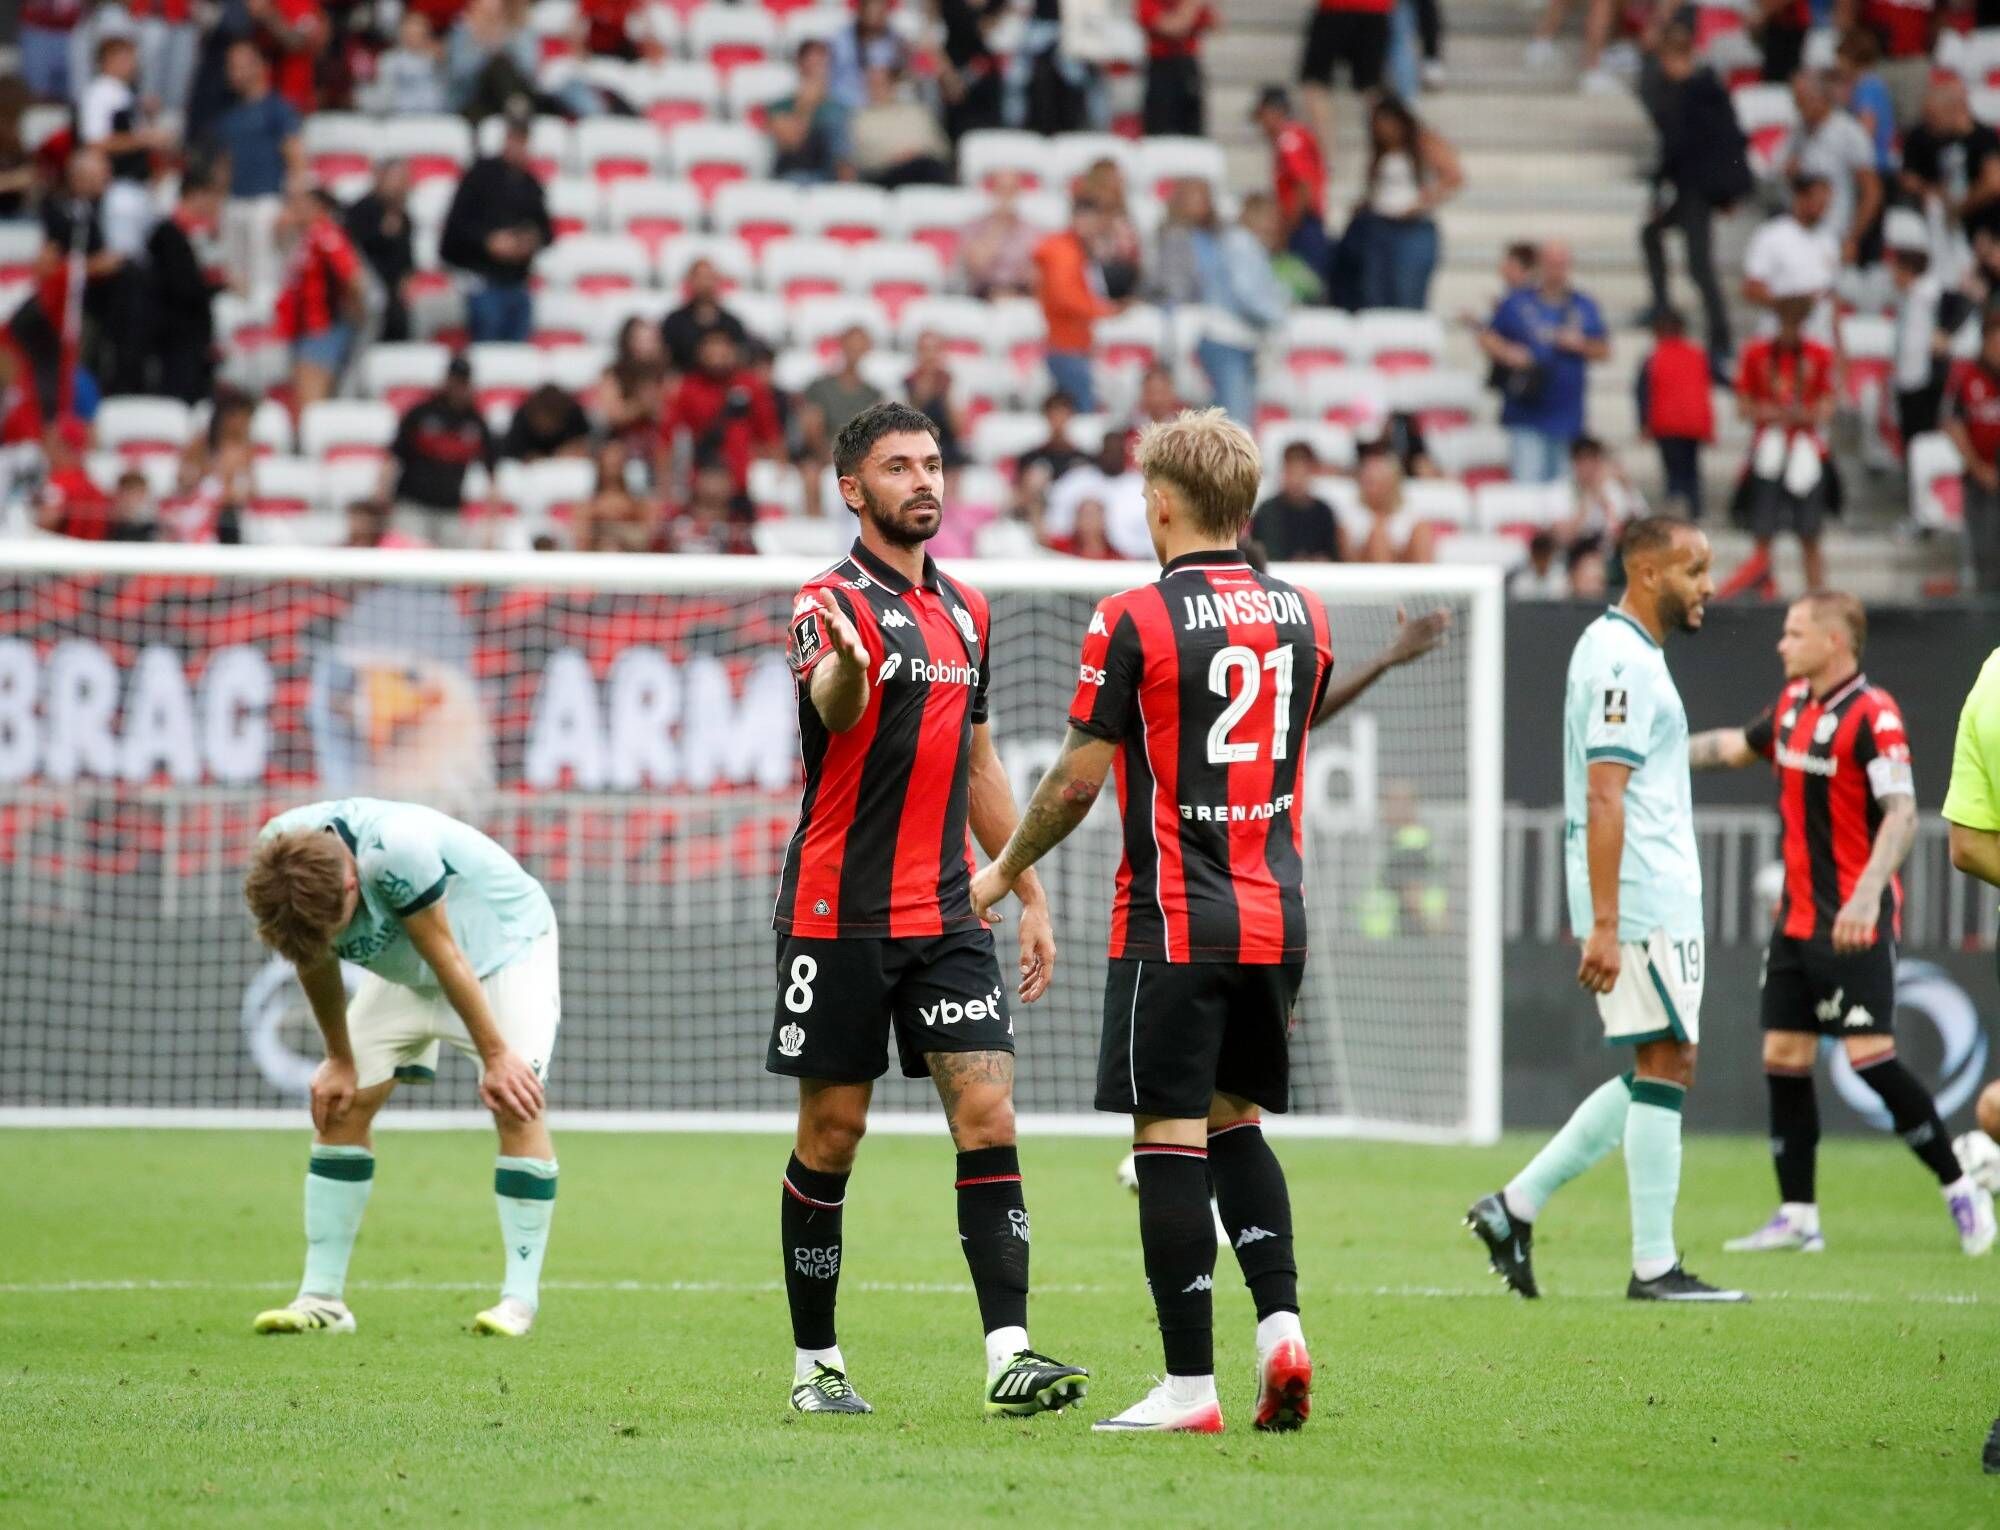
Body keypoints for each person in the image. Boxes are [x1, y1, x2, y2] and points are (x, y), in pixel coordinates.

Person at [968, 407, 1449, 1431]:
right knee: (1237, 1126)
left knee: (1167, 1140)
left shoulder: (1130, 617)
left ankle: (1190, 1387)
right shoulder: (1303, 613)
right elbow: (1287, 719)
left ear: (1159, 505)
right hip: (1277, 921)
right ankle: (1280, 1333)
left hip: (1172, 920)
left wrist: (1001, 869)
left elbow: (1070, 785)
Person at [770, 401, 1087, 1418]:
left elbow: (979, 761)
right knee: (834, 1132)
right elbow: (831, 706)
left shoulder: (969, 612)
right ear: (851, 489)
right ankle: (815, 1366)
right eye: (898, 466)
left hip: (949, 914)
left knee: (987, 1112)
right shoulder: (825, 602)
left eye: (933, 464)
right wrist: (850, 676)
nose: (923, 482)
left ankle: (1009, 1353)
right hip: (837, 914)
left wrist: (1028, 887)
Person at [1467, 516, 1745, 1304]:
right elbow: (1604, 791)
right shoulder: (1623, 659)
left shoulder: (1627, 652)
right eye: (1696, 569)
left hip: (1653, 888)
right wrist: (1605, 922)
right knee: (1666, 1061)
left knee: (1664, 1062)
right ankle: (1652, 1265)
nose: (1710, 586)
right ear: (1649, 573)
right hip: (1643, 892)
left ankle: (1514, 1206)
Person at [1686, 595, 1994, 1257]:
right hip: (1795, 922)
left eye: (1794, 633)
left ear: (1833, 641)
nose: (1781, 644)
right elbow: (1737, 748)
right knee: (1784, 1057)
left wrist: (1865, 896)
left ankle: (1959, 1188)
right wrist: (1652, 754)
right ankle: (1798, 1215)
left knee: (1872, 1060)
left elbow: (1904, 813)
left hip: (1854, 925)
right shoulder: (1794, 705)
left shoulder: (1874, 716)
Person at [241, 799, 562, 1340]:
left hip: (502, 952)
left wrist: (497, 1055)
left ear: (350, 885)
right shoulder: (279, 855)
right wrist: (339, 1058)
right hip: (407, 966)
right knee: (341, 1103)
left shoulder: (395, 850)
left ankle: (518, 1301)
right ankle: (322, 1299)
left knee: (515, 1100)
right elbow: (311, 952)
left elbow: (444, 955)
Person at [1638, 17, 1750, 371]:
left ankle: (1721, 337)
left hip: (1699, 191)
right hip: (1688, 188)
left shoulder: (1700, 92)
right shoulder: (1692, 91)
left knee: (1699, 266)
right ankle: (1662, 307)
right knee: (1651, 235)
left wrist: (1727, 191)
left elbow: (1725, 143)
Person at [1727, 293, 1838, 597]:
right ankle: (1763, 584)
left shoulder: (1818, 354)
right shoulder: (1757, 353)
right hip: (1770, 445)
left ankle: (1817, 593)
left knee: (1810, 531)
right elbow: (1743, 404)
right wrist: (1770, 413)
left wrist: (1806, 414)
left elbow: (1828, 402)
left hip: (1805, 447)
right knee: (1763, 526)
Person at [1484, 240, 1610, 484]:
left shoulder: (1583, 306)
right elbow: (1489, 336)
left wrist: (1580, 344)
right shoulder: (1518, 302)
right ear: (1540, 265)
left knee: (1560, 491)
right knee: (1528, 487)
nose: (1557, 270)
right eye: (1551, 264)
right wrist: (1509, 352)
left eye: (1561, 265)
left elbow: (1603, 349)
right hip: (1526, 412)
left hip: (1567, 414)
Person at [440, 111, 552, 344]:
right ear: (505, 138)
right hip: (483, 281)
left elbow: (547, 231)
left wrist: (530, 240)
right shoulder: (480, 175)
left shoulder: (530, 184)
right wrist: (488, 241)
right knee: (488, 349)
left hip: (518, 283)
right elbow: (454, 231)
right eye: (514, 138)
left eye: (524, 140)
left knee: (516, 360)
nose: (518, 145)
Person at [207, 39, 304, 299]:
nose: (234, 72)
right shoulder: (230, 115)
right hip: (235, 201)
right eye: (231, 66)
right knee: (236, 278)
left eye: (240, 65)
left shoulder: (277, 109)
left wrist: (292, 207)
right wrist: (218, 205)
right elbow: (225, 164)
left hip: (267, 201)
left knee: (266, 278)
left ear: (259, 67)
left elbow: (295, 157)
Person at [1346, 93, 1460, 312]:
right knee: (1375, 296)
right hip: (1380, 227)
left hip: (1412, 228)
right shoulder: (1381, 152)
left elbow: (1453, 176)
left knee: (1406, 296)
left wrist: (1422, 202)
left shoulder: (1423, 142)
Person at [1196, 193, 1290, 428]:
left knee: (1237, 420)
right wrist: (1279, 316)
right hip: (1227, 341)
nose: (1274, 225)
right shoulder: (1239, 243)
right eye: (1269, 217)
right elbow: (1246, 294)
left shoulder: (1247, 245)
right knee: (1234, 422)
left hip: (1240, 342)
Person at [659, 329, 783, 497]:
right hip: (702, 482)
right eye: (711, 345)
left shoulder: (750, 385)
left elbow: (771, 435)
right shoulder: (688, 389)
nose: (718, 352)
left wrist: (780, 472)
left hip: (745, 483)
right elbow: (668, 439)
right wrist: (665, 486)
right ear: (700, 351)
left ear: (734, 350)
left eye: (723, 345)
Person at [389, 355, 497, 547]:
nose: (457, 387)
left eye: (462, 382)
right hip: (413, 504)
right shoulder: (421, 413)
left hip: (450, 509)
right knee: (405, 565)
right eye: (454, 380)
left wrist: (491, 517)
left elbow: (491, 470)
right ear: (446, 380)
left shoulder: (475, 421)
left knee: (453, 567)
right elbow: (393, 456)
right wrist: (383, 493)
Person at [143, 161, 226, 404]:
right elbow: (181, 287)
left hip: (194, 336)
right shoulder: (167, 234)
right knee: (179, 397)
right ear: (195, 195)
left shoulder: (198, 235)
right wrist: (218, 286)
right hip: (176, 335)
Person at [276, 186, 365, 410]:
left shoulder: (327, 234)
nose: (297, 209)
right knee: (301, 399)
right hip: (304, 328)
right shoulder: (307, 238)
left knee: (311, 402)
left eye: (304, 204)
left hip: (321, 327)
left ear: (320, 208)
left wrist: (355, 310)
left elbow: (353, 277)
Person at [1782, 70, 1881, 271]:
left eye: (1801, 102)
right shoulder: (1799, 133)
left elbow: (1872, 192)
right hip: (1803, 229)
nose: (1798, 109)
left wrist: (1852, 237)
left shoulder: (1849, 133)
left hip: (1836, 231)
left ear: (1818, 99)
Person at [79, 36, 166, 260]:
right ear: (106, 61)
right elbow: (95, 142)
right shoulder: (100, 92)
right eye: (124, 58)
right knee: (126, 260)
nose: (132, 64)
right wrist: (144, 139)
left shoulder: (125, 93)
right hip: (118, 188)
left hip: (140, 187)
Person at [1034, 199, 1116, 413]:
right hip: (1066, 345)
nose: (1093, 228)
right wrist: (1102, 310)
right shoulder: (1064, 251)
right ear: (1076, 219)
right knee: (1082, 411)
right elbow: (1064, 297)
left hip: (1074, 343)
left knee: (1073, 409)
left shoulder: (1076, 250)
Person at [1899, 76, 2000, 248]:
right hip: (1936, 222)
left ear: (1953, 111)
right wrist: (1930, 192)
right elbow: (1908, 178)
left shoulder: (1984, 138)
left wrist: (1959, 209)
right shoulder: (1920, 137)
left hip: (1981, 224)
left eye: (1933, 117)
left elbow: (1994, 183)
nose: (1929, 125)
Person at [1742, 172, 1840, 346]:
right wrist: (1793, 306)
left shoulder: (1829, 240)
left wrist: (1840, 348)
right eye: (1818, 203)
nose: (1823, 209)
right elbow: (1751, 289)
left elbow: (1831, 298)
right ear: (1800, 197)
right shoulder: (1772, 235)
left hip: (1819, 342)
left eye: (1826, 204)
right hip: (1780, 340)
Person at [1943, 308, 2000, 595]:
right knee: (1984, 549)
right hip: (1980, 476)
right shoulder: (1968, 377)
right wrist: (1978, 467)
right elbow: (1953, 423)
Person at [1636, 308, 1713, 520]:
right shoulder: (1697, 355)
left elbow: (1642, 392)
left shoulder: (1654, 357)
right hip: (1693, 424)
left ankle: (1677, 509)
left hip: (1666, 424)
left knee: (1673, 471)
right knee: (1691, 467)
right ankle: (1695, 509)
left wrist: (1643, 422)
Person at [1253, 86, 1331, 283]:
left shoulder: (1289, 138)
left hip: (1302, 226)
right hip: (1301, 224)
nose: (1261, 123)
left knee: (1305, 289)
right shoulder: (1293, 136)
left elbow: (1303, 184)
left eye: (1263, 115)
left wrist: (1287, 229)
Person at [1298, 0, 1392, 164]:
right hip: (1373, 10)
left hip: (1337, 10)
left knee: (1316, 85)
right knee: (1371, 89)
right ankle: (1386, 155)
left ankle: (1325, 158)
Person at [1884, 206, 1948, 446]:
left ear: (1907, 270)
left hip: (1924, 377)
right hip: (1906, 375)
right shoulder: (1908, 296)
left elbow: (1960, 303)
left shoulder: (1930, 292)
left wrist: (1946, 332)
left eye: (1896, 270)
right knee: (1908, 435)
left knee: (1921, 434)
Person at [344, 160, 417, 345]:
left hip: (392, 298)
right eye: (395, 179)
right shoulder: (359, 212)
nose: (400, 185)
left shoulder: (405, 219)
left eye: (403, 180)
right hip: (363, 294)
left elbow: (406, 264)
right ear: (379, 178)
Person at [1046, 428, 1149, 559]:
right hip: (1072, 557)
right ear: (1101, 451)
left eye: (1117, 450)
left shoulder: (1140, 486)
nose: (1112, 455)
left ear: (1125, 453)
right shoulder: (1077, 479)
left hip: (1133, 561)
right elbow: (1055, 526)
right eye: (1109, 450)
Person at [849, 64, 954, 189]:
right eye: (871, 84)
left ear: (893, 85)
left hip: (926, 166)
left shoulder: (917, 113)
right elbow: (860, 158)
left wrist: (917, 153)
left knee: (929, 167)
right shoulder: (859, 118)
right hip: (886, 175)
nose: (876, 88)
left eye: (882, 83)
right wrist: (896, 158)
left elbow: (942, 148)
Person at [800, 325, 886, 469]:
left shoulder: (873, 393)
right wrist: (827, 455)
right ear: (842, 347)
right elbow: (810, 426)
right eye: (851, 347)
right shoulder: (820, 387)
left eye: (859, 348)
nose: (855, 353)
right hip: (822, 456)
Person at [770, 38, 848, 185]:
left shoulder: (840, 108)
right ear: (800, 65)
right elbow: (791, 144)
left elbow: (845, 157)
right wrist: (806, 106)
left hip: (830, 179)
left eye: (822, 65)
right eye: (811, 65)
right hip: (793, 175)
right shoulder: (781, 106)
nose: (817, 72)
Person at [1250, 441, 1343, 561]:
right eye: (1292, 473)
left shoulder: (1324, 512)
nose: (1296, 481)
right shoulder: (1267, 511)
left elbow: (1333, 555)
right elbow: (1261, 554)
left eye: (1301, 473)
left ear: (1310, 474)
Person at [1139, 0, 1214, 138]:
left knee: (1192, 129)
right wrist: (1192, 6)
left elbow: (1215, 23)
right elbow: (1173, 28)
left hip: (1187, 65)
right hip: (1162, 67)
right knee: (1160, 130)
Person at [961, 169, 1040, 300]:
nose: (1006, 196)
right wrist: (999, 225)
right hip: (984, 295)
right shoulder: (975, 225)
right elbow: (976, 265)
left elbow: (1035, 274)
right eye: (1002, 190)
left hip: (1020, 294)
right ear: (993, 191)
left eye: (1011, 190)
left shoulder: (1031, 229)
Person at [660, 257, 748, 373]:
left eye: (709, 278)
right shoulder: (674, 322)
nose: (705, 283)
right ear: (690, 281)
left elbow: (741, 357)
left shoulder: (732, 323)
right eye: (700, 277)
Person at [1351, 445, 1435, 562]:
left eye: (1377, 482)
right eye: (1369, 482)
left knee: (1420, 531)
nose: (1372, 489)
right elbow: (1348, 559)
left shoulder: (1412, 517)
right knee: (1378, 535)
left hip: (1407, 574)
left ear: (1392, 484)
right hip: (1362, 574)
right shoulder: (1351, 517)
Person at [365, 9, 448, 115]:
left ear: (426, 32)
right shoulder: (389, 60)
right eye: (410, 29)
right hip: (397, 120)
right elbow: (383, 96)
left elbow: (446, 95)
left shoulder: (438, 60)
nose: (413, 34)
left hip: (434, 119)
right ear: (401, 31)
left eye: (418, 29)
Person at [500, 383, 592, 462]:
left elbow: (585, 445)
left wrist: (570, 451)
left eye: (549, 424)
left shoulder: (575, 415)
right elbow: (510, 454)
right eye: (542, 422)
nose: (545, 430)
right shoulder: (521, 419)